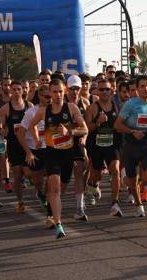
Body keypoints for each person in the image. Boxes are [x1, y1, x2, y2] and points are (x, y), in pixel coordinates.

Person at [29, 79, 88, 238]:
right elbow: (32, 125)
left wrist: (69, 132)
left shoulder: (72, 108)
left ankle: (51, 212)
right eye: (54, 92)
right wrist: (36, 139)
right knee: (54, 187)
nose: (58, 95)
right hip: (51, 153)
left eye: (60, 91)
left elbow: (84, 129)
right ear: (50, 93)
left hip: (67, 154)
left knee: (60, 190)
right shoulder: (43, 111)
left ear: (65, 91)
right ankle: (59, 224)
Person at [114, 75, 147, 228]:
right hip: (131, 146)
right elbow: (117, 125)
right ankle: (138, 205)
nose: (146, 89)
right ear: (137, 88)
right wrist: (132, 131)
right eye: (142, 86)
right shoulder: (130, 105)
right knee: (132, 181)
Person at [85, 80, 123, 217]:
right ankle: (92, 183)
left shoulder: (116, 107)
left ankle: (115, 202)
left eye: (107, 89)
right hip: (96, 146)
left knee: (115, 170)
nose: (105, 92)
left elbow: (120, 124)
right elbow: (87, 129)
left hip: (112, 145)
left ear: (112, 91)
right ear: (97, 92)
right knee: (97, 175)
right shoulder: (92, 108)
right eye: (101, 90)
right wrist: (97, 122)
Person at [17, 85, 51, 212]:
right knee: (37, 180)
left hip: (50, 148)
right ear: (39, 96)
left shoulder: (57, 110)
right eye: (46, 96)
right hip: (35, 150)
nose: (49, 99)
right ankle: (40, 192)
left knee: (52, 175)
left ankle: (48, 198)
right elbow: (20, 134)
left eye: (50, 96)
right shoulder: (31, 112)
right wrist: (28, 152)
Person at [0, 81, 33, 213]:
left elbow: (35, 124)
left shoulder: (29, 106)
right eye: (14, 89)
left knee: (29, 173)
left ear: (23, 90)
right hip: (13, 145)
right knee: (18, 174)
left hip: (27, 144)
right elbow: (0, 128)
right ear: (11, 91)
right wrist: (5, 133)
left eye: (19, 89)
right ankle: (20, 202)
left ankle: (37, 188)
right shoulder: (6, 108)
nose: (17, 91)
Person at [65, 75, 90, 220]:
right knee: (62, 177)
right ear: (67, 89)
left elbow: (86, 127)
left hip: (78, 142)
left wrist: (84, 140)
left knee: (80, 171)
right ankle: (48, 199)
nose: (74, 92)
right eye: (72, 89)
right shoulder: (62, 104)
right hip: (62, 143)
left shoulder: (85, 103)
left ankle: (79, 208)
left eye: (77, 88)